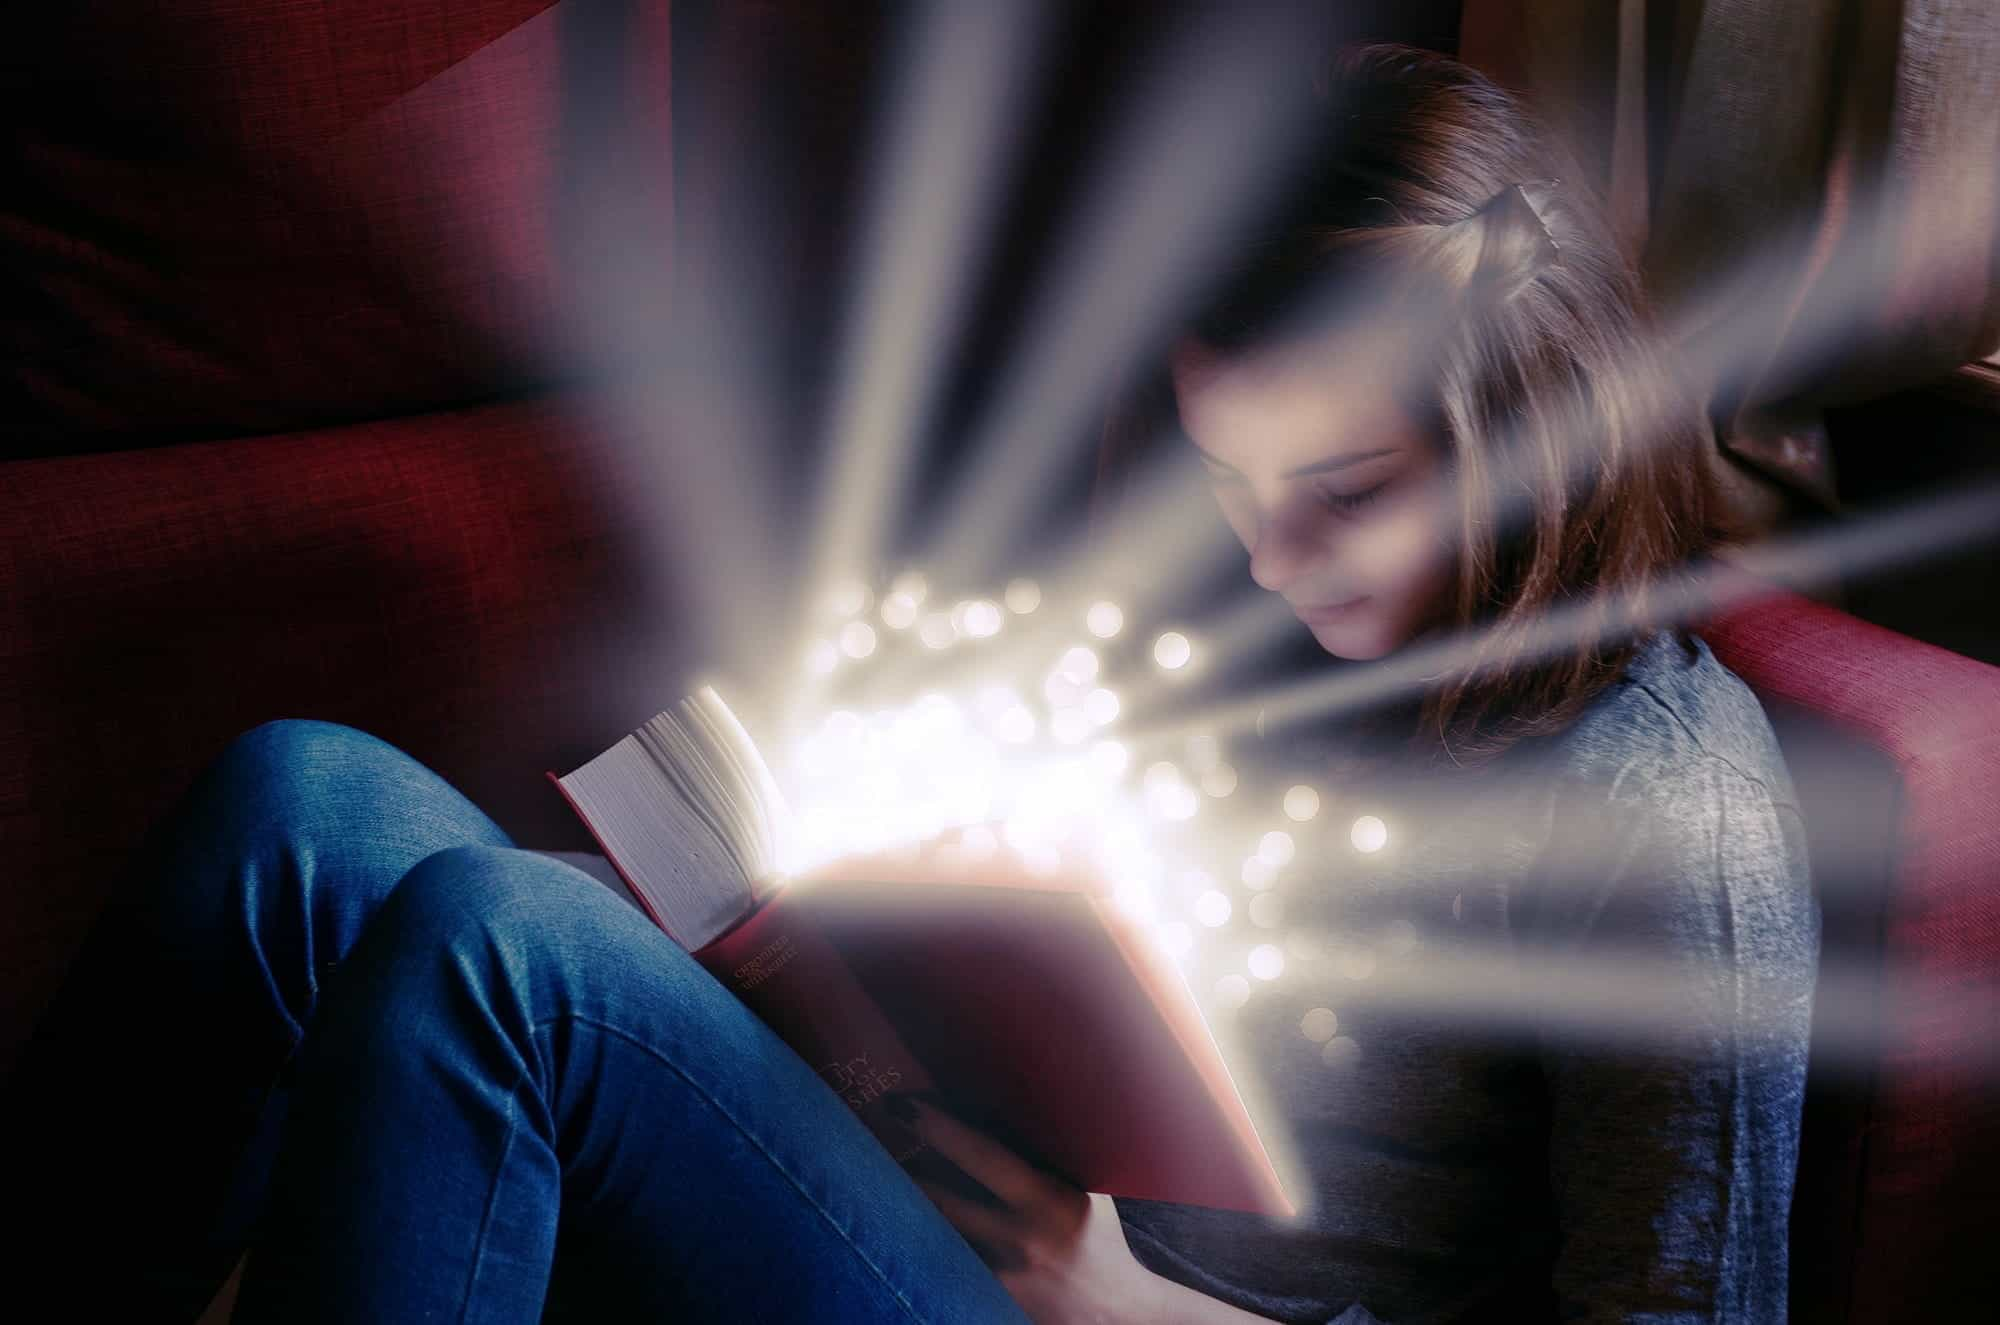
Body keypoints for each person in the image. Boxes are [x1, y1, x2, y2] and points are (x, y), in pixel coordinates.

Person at [3, 44, 1815, 1325]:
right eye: (1230, 485)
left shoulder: (1669, 808)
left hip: (1111, 1316)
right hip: (933, 1198)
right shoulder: (1276, 629)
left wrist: (1129, 1311)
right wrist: (858, 930)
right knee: (301, 804)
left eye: (1340, 499)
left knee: (496, 948)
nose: (1267, 559)